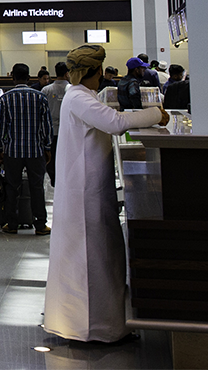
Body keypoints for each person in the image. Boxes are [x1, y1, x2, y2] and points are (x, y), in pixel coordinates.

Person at [44, 45, 168, 343]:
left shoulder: (82, 96)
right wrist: (156, 114)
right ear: (96, 71)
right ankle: (92, 328)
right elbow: (116, 123)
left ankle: (105, 325)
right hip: (83, 195)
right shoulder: (78, 97)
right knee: (91, 261)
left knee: (99, 259)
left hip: (88, 191)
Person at [0, 64, 53, 235]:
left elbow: (0, 127)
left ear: (13, 77)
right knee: (37, 187)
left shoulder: (5, 98)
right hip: (36, 151)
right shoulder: (40, 97)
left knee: (12, 187)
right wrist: (47, 147)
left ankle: (12, 224)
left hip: (13, 152)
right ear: (29, 78)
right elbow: (47, 126)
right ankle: (40, 224)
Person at [41, 62, 71, 185]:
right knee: (66, 158)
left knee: (52, 158)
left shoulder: (46, 90)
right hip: (68, 131)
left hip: (51, 131)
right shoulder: (72, 89)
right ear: (67, 74)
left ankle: (54, 181)